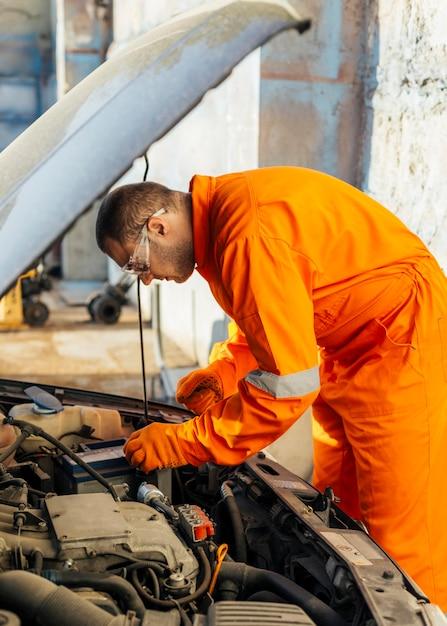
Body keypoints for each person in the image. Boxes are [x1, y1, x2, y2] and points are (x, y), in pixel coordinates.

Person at [95, 166, 447, 608]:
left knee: (402, 540)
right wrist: (225, 371)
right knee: (340, 519)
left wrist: (185, 442)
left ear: (158, 227)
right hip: (344, 344)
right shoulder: (220, 226)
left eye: (136, 263)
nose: (145, 278)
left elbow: (286, 387)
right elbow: (268, 318)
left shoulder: (245, 235)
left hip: (401, 340)